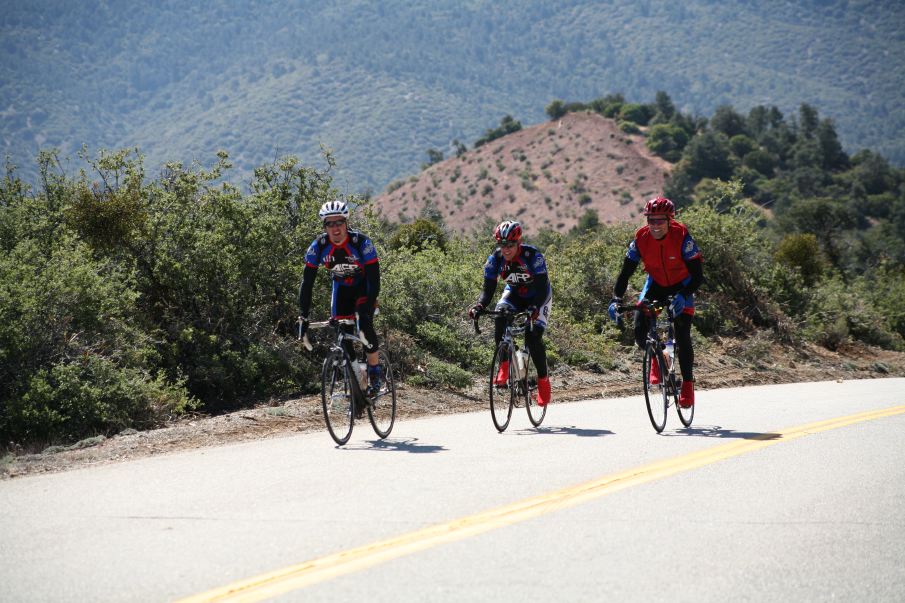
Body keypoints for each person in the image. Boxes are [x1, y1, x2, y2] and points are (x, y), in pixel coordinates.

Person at [607, 196, 704, 408]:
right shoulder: (640, 239)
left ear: (670, 220)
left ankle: (687, 385)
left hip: (682, 285)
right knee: (641, 328)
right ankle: (660, 357)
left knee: (682, 333)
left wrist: (683, 295)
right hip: (657, 286)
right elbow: (625, 273)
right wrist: (616, 299)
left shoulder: (682, 237)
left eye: (660, 221)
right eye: (651, 220)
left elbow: (698, 277)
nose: (655, 225)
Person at [298, 200, 382, 403]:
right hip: (342, 289)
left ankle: (374, 374)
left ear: (346, 223)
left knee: (364, 326)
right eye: (330, 223)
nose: (335, 228)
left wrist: (368, 306)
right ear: (324, 226)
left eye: (339, 222)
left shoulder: (360, 242)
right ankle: (356, 379)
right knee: (341, 333)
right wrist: (303, 316)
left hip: (363, 287)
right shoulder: (319, 247)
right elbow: (307, 283)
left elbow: (374, 278)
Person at [468, 220, 554, 406]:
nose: (505, 249)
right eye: (501, 245)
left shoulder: (533, 256)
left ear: (518, 243)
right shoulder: (495, 259)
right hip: (514, 293)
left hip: (539, 295)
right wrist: (480, 305)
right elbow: (488, 289)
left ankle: (543, 380)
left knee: (532, 337)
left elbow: (540, 286)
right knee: (500, 315)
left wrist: (534, 308)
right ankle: (505, 365)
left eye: (510, 245)